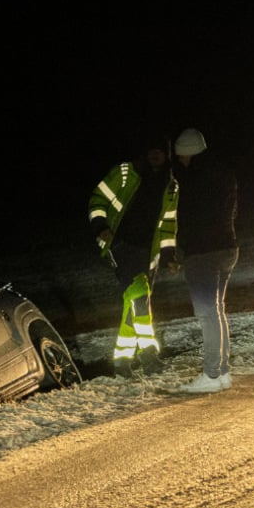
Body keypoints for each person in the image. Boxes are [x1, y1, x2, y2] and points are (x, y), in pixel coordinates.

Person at [88, 136, 179, 378]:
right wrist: (102, 229)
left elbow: (169, 224)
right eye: (152, 149)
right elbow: (97, 200)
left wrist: (169, 254)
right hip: (121, 246)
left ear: (167, 154)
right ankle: (148, 355)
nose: (156, 154)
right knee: (140, 298)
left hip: (148, 254)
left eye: (160, 150)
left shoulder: (171, 185)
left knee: (133, 303)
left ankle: (121, 360)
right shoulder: (125, 172)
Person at [172, 128, 239, 393]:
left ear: (188, 153)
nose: (179, 161)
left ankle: (212, 375)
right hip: (228, 247)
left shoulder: (190, 181)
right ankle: (222, 372)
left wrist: (179, 251)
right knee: (217, 310)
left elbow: (186, 219)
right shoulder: (223, 174)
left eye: (180, 156)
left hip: (203, 252)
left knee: (207, 313)